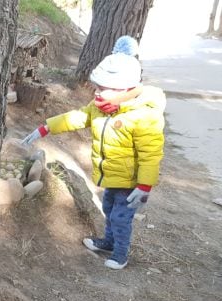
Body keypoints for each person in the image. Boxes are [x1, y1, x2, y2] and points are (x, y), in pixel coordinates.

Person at [21, 36, 166, 270]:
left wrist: (144, 186)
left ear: (125, 89)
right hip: (111, 176)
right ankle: (108, 241)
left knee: (121, 217)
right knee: (109, 209)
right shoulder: (99, 107)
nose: (97, 94)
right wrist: (46, 127)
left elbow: (151, 154)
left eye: (103, 89)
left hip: (130, 183)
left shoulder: (143, 115)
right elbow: (78, 117)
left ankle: (120, 254)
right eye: (97, 88)